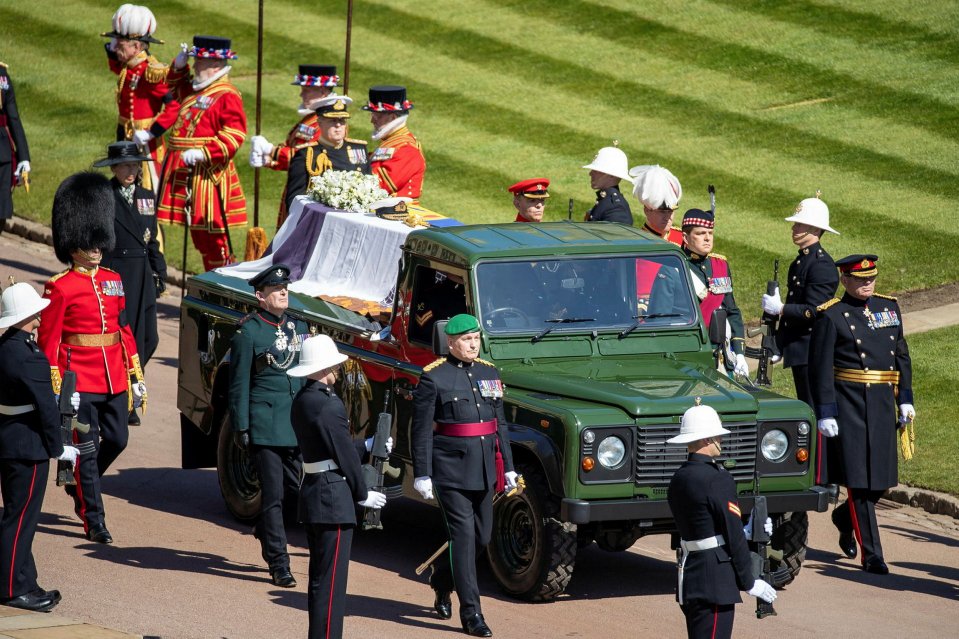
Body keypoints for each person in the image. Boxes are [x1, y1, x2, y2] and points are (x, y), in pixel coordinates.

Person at [37, 172, 146, 545]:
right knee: (84, 448)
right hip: (77, 380)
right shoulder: (59, 286)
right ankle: (93, 518)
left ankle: (83, 482)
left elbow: (123, 328)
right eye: (89, 242)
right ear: (73, 244)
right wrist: (54, 385)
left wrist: (135, 372)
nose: (97, 248)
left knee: (117, 440)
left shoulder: (113, 279)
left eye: (99, 241)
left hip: (113, 375)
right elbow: (49, 340)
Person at [412, 313, 517, 638]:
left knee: (482, 537)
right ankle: (472, 613)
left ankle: (442, 579)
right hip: (451, 471)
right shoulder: (434, 377)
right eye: (467, 340)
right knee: (462, 536)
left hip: (484, 469)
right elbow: (421, 430)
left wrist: (510, 468)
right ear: (451, 343)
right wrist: (423, 473)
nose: (473, 344)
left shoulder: (489, 372)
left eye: (476, 338)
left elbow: (499, 424)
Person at [809, 254, 914, 575]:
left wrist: (906, 399)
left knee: (881, 480)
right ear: (845, 280)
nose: (868, 284)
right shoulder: (832, 316)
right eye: (860, 280)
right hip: (849, 405)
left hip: (883, 403)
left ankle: (843, 518)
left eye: (871, 278)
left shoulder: (888, 308)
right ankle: (872, 555)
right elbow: (820, 368)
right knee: (858, 481)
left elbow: (901, 356)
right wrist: (826, 411)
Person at [288, 335, 389, 639]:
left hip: (315, 492)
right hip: (334, 499)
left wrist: (369, 444)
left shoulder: (304, 400)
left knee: (320, 581)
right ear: (324, 366)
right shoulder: (329, 404)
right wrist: (363, 492)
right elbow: (342, 453)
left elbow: (331, 446)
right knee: (332, 587)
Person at [0, 283, 80, 612]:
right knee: (20, 520)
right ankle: (12, 589)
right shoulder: (29, 356)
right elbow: (46, 407)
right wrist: (58, 446)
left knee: (18, 517)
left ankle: (25, 580)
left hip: (9, 437)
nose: (40, 317)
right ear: (28, 315)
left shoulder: (6, 347)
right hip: (28, 445)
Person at [667, 402, 777, 638]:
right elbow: (733, 535)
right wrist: (749, 581)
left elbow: (702, 523)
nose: (721, 440)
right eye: (718, 435)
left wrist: (748, 530)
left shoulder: (679, 478)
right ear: (707, 439)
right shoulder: (718, 479)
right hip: (714, 582)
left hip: (691, 576)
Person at [228, 264, 306, 588]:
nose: (283, 292)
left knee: (294, 490)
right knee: (272, 495)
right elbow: (239, 384)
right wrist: (241, 428)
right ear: (261, 296)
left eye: (285, 288)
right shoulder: (249, 333)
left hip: (293, 424)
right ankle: (278, 562)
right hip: (264, 425)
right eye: (276, 290)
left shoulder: (298, 326)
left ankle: (265, 528)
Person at [157, 35, 247, 271]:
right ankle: (209, 279)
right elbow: (172, 87)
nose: (195, 65)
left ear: (216, 65)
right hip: (188, 171)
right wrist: (178, 65)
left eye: (200, 61)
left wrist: (204, 153)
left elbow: (235, 135)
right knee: (199, 235)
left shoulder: (227, 94)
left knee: (214, 233)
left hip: (209, 174)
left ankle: (222, 282)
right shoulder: (198, 88)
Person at [94, 141, 167, 426]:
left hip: (142, 276)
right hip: (115, 273)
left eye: (136, 165)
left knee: (146, 338)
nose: (132, 170)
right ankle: (120, 403)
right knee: (118, 338)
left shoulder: (146, 196)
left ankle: (130, 393)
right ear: (113, 168)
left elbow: (152, 241)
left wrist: (159, 272)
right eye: (126, 165)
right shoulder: (104, 196)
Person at [760, 193, 839, 412]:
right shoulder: (800, 262)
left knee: (814, 408)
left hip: (812, 350)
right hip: (799, 348)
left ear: (815, 229)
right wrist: (779, 343)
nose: (793, 228)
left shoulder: (821, 266)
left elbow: (814, 311)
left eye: (799, 224)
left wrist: (781, 308)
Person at [100, 4, 179, 194]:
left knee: (145, 191)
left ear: (136, 46)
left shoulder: (151, 71)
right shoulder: (130, 66)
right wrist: (112, 49)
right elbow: (118, 69)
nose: (116, 47)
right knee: (124, 189)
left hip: (145, 142)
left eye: (120, 44)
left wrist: (150, 132)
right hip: (125, 134)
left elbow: (173, 107)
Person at [249, 64, 339, 229]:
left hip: (311, 195)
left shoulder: (328, 121)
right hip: (298, 189)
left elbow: (308, 157)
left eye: (307, 89)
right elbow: (293, 150)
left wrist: (272, 151)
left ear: (323, 91)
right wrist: (268, 160)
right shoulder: (312, 118)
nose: (301, 94)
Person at [681, 208, 748, 378]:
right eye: (701, 233)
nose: (707, 238)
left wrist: (739, 353)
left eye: (710, 233)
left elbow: (732, 311)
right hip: (691, 353)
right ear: (685, 237)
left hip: (721, 355)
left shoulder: (720, 265)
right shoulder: (676, 267)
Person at [282, 96, 370, 213]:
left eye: (342, 120)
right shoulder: (306, 154)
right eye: (333, 121)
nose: (338, 125)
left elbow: (369, 187)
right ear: (320, 123)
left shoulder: (359, 149)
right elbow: (294, 200)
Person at [363, 85, 425, 201]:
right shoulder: (392, 142)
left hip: (397, 213)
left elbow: (378, 186)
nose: (372, 120)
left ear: (393, 116)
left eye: (377, 115)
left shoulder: (407, 149)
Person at [0, 62, 31, 232]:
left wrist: (23, 157)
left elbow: (13, 118)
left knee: (2, 207)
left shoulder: (2, 74)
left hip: (3, 151)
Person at [629, 164, 683, 245]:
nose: (668, 217)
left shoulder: (682, 237)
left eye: (671, 211)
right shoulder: (639, 242)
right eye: (662, 211)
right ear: (646, 210)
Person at [582, 145, 633, 224]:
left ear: (612, 175)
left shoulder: (616, 209)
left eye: (596, 171)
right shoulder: (607, 201)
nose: (590, 173)